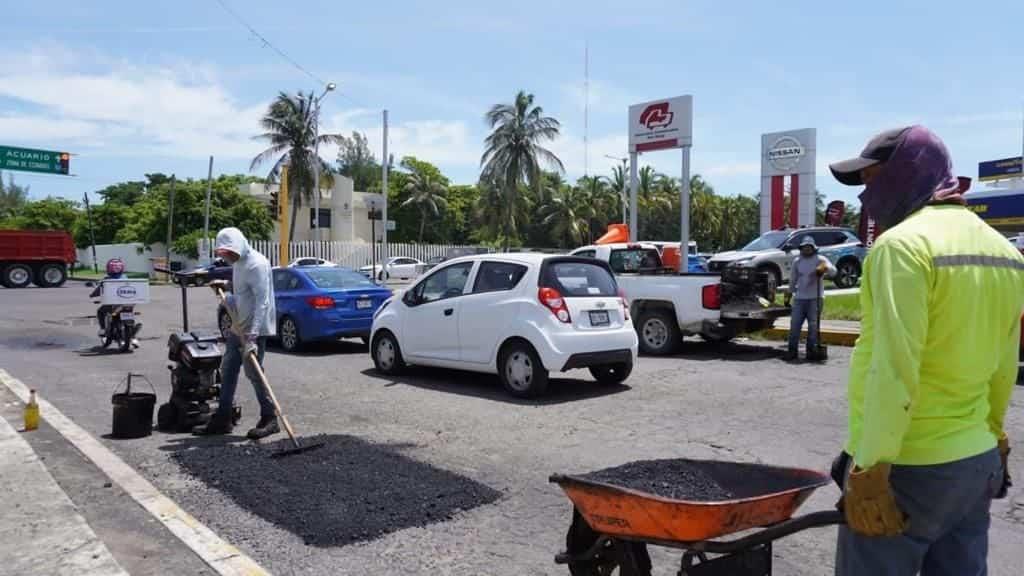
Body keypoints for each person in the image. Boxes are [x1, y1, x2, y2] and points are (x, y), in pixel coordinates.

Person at [828, 125, 1023, 575]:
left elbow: (894, 368)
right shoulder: (1004, 252)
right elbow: (1003, 363)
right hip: (975, 464)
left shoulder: (901, 247)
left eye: (874, 179)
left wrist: (872, 471)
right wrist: (995, 436)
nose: (867, 196)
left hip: (908, 470)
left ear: (909, 173)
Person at [193, 227, 279, 439]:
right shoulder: (238, 264)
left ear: (239, 245)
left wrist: (253, 336)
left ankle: (270, 418)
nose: (228, 257)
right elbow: (242, 293)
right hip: (238, 324)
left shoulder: (257, 265)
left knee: (254, 373)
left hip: (254, 328)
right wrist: (226, 287)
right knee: (228, 369)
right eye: (224, 254)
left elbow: (262, 302)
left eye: (229, 253)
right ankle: (223, 418)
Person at [783, 236, 835, 362]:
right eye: (804, 247)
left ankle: (811, 352)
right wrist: (789, 294)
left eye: (809, 247)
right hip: (800, 298)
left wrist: (824, 268)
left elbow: (834, 271)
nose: (806, 249)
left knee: (813, 326)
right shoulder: (797, 261)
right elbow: (793, 280)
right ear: (801, 248)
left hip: (815, 298)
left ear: (813, 248)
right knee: (794, 325)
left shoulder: (820, 259)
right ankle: (792, 351)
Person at [90, 258, 140, 347]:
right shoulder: (125, 278)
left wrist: (92, 295)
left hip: (112, 305)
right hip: (127, 303)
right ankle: (133, 337)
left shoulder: (106, 279)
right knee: (129, 316)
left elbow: (98, 290)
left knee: (100, 311)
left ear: (108, 269)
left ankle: (103, 329)